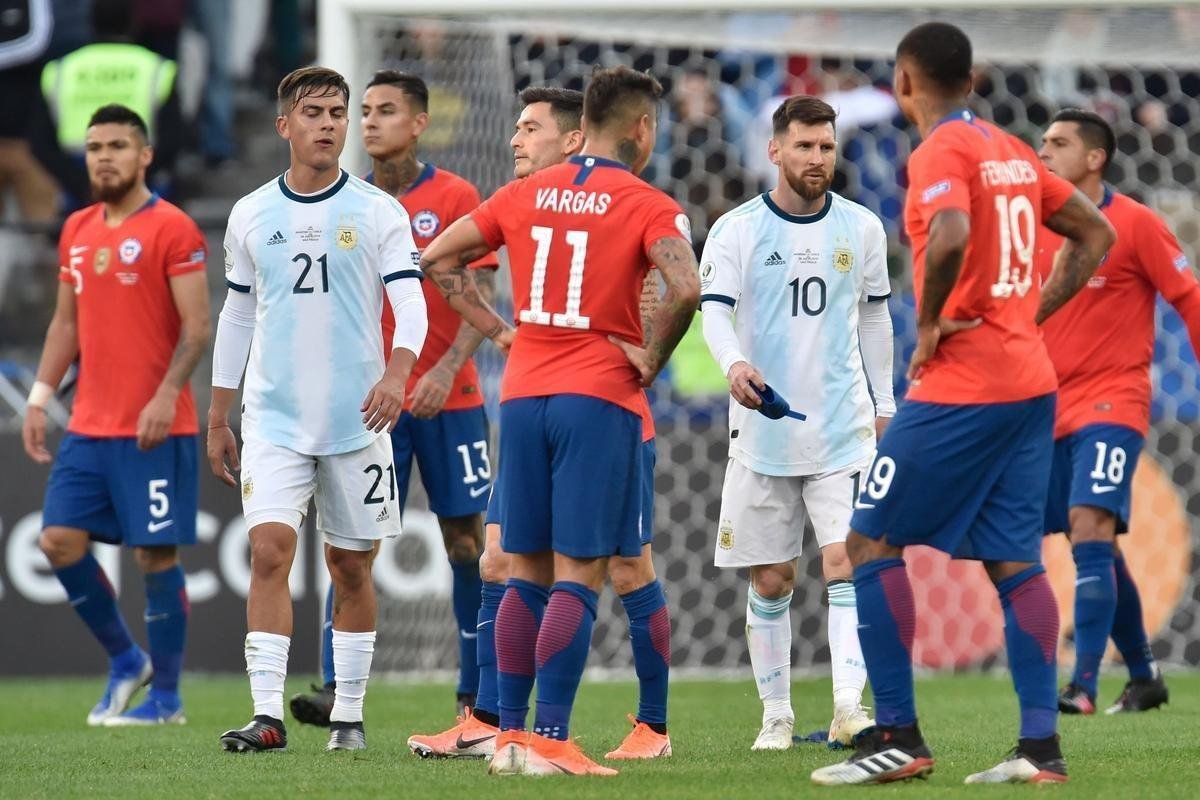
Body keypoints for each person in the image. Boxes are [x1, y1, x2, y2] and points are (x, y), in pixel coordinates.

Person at [811, 22, 1115, 786]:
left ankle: (901, 738)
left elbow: (946, 234)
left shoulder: (941, 151)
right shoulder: (1014, 150)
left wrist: (931, 323)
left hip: (964, 385)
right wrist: (1030, 314)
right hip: (1028, 382)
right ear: (971, 79)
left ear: (904, 82)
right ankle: (1040, 749)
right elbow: (1095, 230)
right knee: (1016, 562)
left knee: (866, 542)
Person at [419, 66, 700, 776]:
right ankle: (552, 739)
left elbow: (437, 257)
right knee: (581, 571)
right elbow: (687, 287)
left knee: (522, 571)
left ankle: (509, 736)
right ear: (640, 129)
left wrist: (496, 326)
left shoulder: (522, 194)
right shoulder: (647, 202)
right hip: (598, 396)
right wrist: (652, 356)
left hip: (521, 396)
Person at [208, 66, 427, 754]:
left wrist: (398, 372)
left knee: (350, 567)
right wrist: (219, 413)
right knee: (269, 552)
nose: (329, 123)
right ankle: (267, 716)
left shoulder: (376, 211)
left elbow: (412, 302)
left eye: (338, 111)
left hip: (358, 421)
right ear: (284, 126)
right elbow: (237, 313)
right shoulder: (250, 214)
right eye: (314, 112)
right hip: (272, 417)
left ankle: (350, 715)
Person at [288, 69, 499, 728]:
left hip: (450, 398)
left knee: (466, 541)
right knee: (354, 547)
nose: (370, 121)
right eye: (365, 111)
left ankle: (473, 688)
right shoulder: (340, 200)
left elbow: (480, 299)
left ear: (418, 124)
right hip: (369, 406)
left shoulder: (456, 194)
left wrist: (446, 369)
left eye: (385, 110)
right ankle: (334, 687)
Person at [700, 95, 893, 751]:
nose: (817, 159)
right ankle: (776, 714)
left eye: (827, 147)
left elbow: (874, 317)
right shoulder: (738, 229)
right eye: (805, 146)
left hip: (844, 429)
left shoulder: (863, 227)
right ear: (775, 150)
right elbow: (716, 314)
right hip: (763, 432)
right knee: (773, 578)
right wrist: (733, 364)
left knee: (846, 561)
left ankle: (847, 708)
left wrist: (886, 402)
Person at [23, 103, 210, 727]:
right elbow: (65, 323)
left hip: (155, 428)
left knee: (154, 557)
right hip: (89, 426)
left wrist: (164, 395)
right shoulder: (76, 227)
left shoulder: (173, 228)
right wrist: (40, 397)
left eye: (118, 146)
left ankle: (168, 699)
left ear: (145, 156)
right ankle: (127, 660)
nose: (104, 157)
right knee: (57, 540)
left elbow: (198, 328)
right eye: (95, 146)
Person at [1036, 108, 1194, 715]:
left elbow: (1188, 296)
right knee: (1089, 537)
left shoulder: (1136, 224)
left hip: (1113, 400)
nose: (1043, 151)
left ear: (1095, 157)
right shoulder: (1035, 224)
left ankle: (1082, 685)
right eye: (1042, 141)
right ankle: (1146, 676)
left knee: (1091, 525)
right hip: (1046, 406)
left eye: (1059, 142)